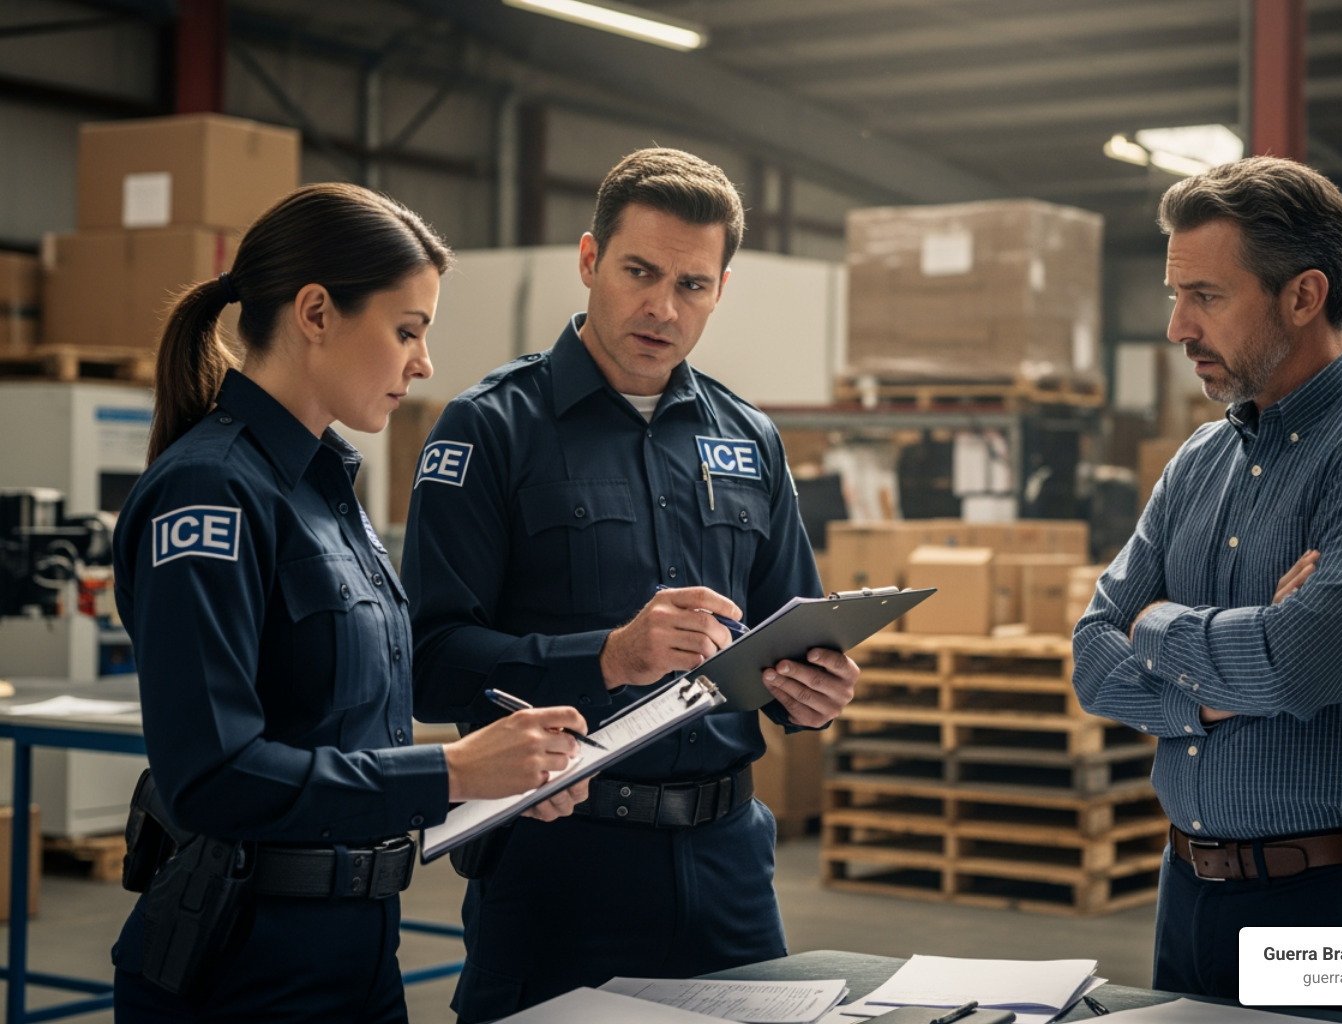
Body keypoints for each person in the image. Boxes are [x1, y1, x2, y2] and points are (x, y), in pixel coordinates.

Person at [110, 182, 593, 1024]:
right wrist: (447, 772)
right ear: (316, 313)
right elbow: (213, 775)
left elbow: (341, 733)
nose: (424, 361)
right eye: (407, 330)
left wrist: (496, 774)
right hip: (244, 971)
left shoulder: (324, 492)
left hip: (358, 955)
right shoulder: (211, 493)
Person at [403, 147, 860, 1019]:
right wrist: (606, 657)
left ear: (720, 289)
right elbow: (429, 663)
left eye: (692, 284)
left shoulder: (749, 439)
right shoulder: (490, 429)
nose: (662, 307)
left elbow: (791, 626)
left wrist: (813, 690)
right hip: (559, 866)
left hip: (729, 869)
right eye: (639, 272)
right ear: (589, 260)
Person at [1072, 157, 1342, 1022]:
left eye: (1208, 297)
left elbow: (1300, 666)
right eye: (1174, 293)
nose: (1179, 325)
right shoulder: (1199, 459)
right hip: (1188, 894)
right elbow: (1091, 656)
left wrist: (1160, 625)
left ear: (1304, 296)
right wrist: (1234, 660)